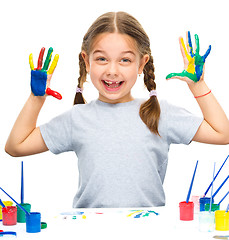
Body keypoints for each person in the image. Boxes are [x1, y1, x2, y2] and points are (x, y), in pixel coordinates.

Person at [5, 12, 229, 208]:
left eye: (124, 60)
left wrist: (198, 85)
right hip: (90, 231)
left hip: (148, 230)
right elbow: (16, 146)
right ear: (86, 60)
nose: (112, 70)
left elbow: (222, 134)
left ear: (142, 64)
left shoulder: (159, 114)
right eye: (102, 58)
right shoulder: (78, 118)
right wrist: (36, 99)